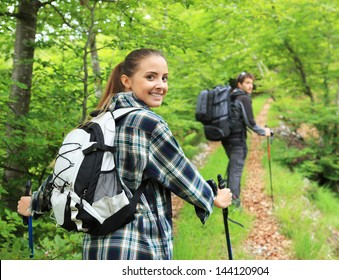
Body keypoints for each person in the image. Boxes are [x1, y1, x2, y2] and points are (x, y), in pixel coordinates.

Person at [17, 48, 232, 260]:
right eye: (151, 77)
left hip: (97, 250)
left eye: (164, 78)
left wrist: (34, 204)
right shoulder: (148, 124)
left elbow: (66, 174)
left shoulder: (97, 122)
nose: (161, 85)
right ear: (127, 81)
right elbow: (183, 177)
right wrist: (213, 197)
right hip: (138, 247)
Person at [222, 71, 271, 208]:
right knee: (236, 171)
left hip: (226, 139)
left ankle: (227, 196)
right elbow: (251, 123)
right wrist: (265, 132)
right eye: (247, 83)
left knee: (233, 168)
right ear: (240, 84)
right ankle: (235, 203)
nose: (251, 86)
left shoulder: (231, 96)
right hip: (237, 140)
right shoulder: (243, 98)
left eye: (252, 83)